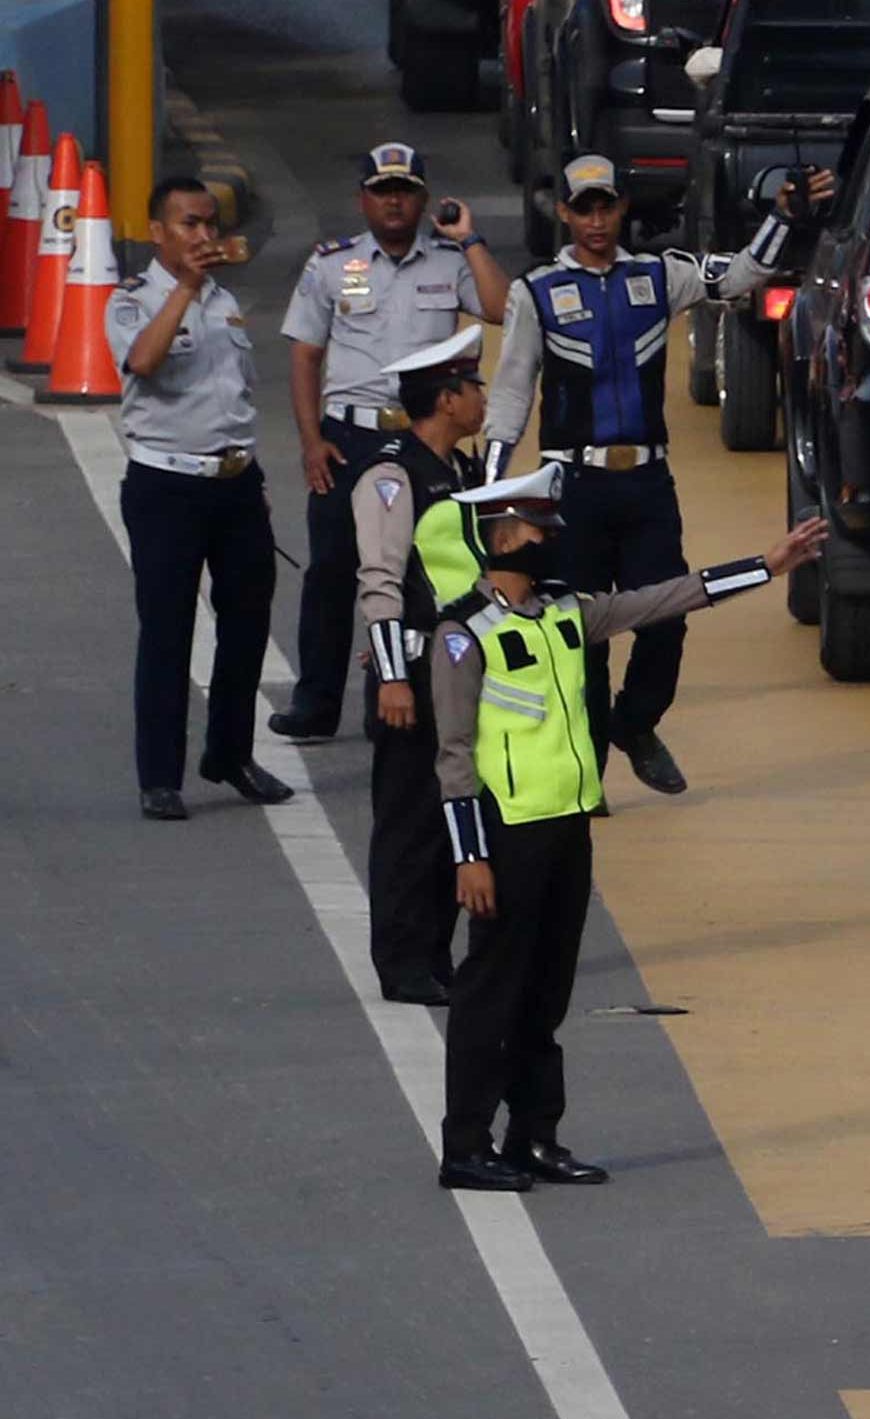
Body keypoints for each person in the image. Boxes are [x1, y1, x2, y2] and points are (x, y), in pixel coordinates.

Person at [429, 466, 830, 1191]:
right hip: (506, 834)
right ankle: (466, 1144)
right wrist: (469, 857)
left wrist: (764, 568)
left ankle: (533, 1136)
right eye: (541, 530)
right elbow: (453, 755)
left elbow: (659, 601)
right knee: (491, 993)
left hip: (567, 830)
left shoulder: (565, 612)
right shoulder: (464, 634)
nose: (553, 541)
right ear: (506, 537)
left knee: (546, 994)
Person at [485, 153, 828, 799]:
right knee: (577, 632)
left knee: (667, 616)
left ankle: (636, 724)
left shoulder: (661, 275)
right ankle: (584, 772)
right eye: (582, 207)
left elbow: (745, 276)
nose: (595, 219)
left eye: (605, 206)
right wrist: (493, 493)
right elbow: (510, 394)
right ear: (562, 212)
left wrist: (785, 217)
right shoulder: (534, 293)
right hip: (571, 487)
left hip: (646, 484)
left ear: (621, 210)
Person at [270, 142, 508, 744]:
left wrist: (470, 239)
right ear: (363, 199)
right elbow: (305, 357)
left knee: (417, 570)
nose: (394, 200)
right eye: (382, 190)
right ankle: (316, 702)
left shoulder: (449, 262)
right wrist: (310, 441)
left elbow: (502, 308)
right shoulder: (331, 264)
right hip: (348, 437)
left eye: (404, 190)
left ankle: (401, 692)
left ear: (424, 199)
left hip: (424, 437)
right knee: (332, 570)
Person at [108, 176, 294, 822]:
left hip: (235, 483)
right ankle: (160, 776)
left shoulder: (224, 301)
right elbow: (144, 362)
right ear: (158, 232)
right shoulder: (133, 300)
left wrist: (254, 477)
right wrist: (183, 289)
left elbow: (234, 400)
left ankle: (231, 754)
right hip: (167, 486)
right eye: (189, 224)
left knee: (247, 625)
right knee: (168, 632)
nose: (203, 236)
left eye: (210, 224)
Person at [352, 326, 491, 1006]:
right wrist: (393, 677)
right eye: (473, 387)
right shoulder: (392, 475)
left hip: (453, 670)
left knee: (446, 821)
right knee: (408, 824)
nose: (482, 398)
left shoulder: (460, 471)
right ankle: (403, 962)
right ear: (447, 398)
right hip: (409, 670)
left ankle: (434, 953)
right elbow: (380, 579)